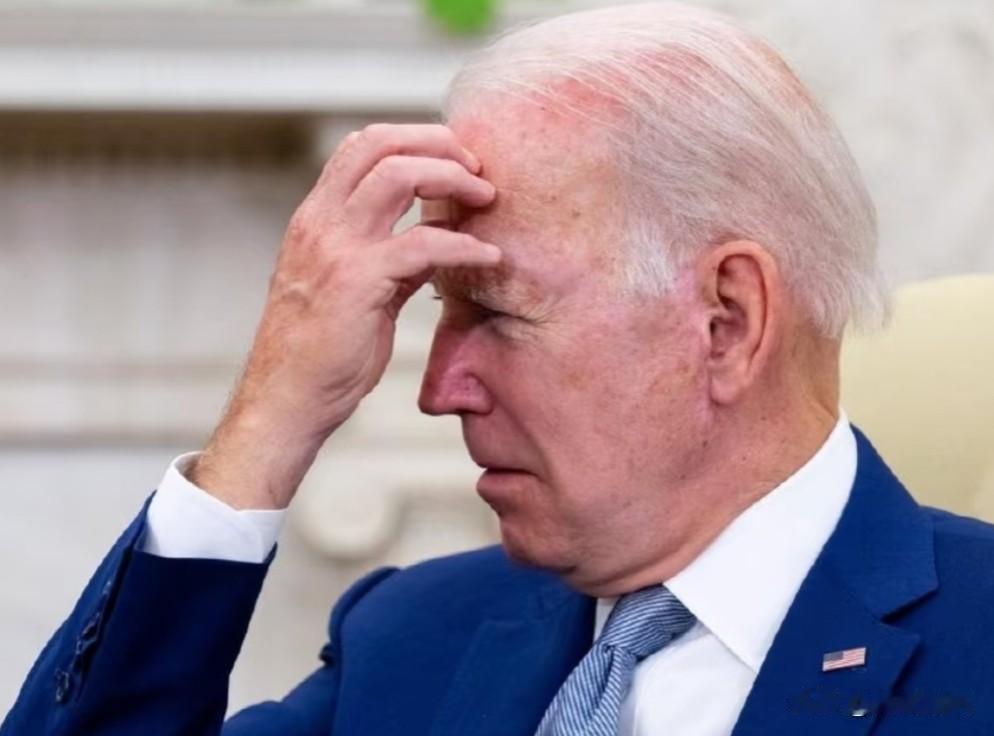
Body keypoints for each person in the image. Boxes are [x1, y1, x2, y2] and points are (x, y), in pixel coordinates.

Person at [4, 2, 994, 734]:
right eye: (441, 311)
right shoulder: (411, 638)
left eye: (498, 313)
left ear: (725, 321)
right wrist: (267, 422)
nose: (440, 391)